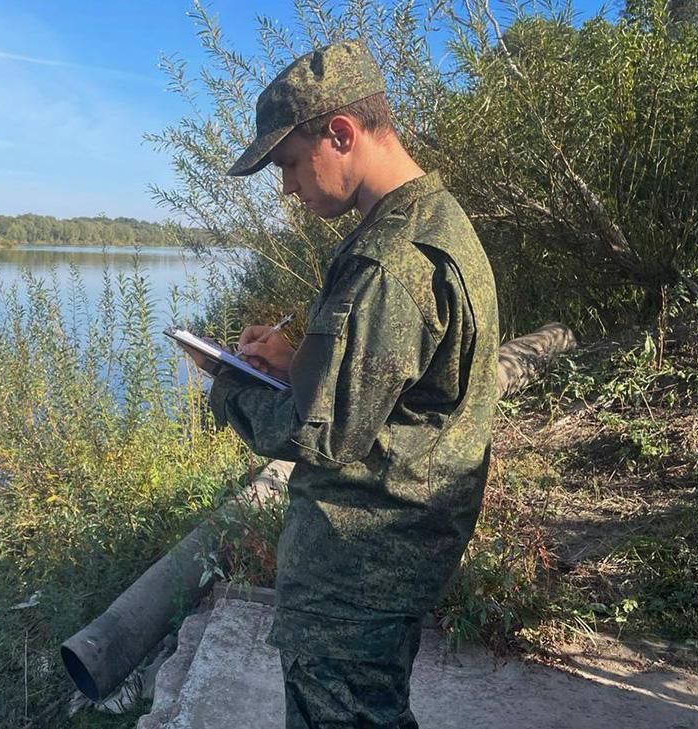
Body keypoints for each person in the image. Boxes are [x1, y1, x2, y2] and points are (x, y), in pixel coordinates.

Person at [180, 41, 500, 728]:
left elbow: (318, 430)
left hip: (359, 567)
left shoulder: (389, 262)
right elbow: (393, 393)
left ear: (342, 133)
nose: (287, 187)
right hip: (394, 549)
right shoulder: (433, 218)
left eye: (289, 163)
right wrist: (296, 361)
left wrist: (225, 380)